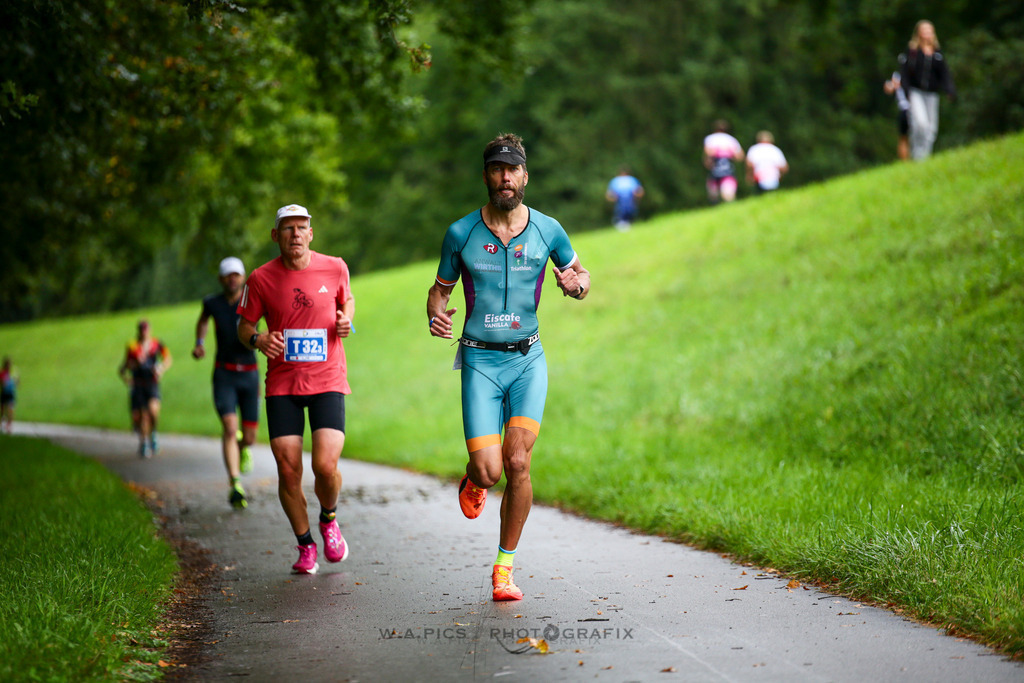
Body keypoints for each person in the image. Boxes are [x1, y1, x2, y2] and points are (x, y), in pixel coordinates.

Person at [426, 133, 590, 602]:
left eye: (512, 169)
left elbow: (583, 275)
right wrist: (435, 311)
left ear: (524, 176)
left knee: (519, 461)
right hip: (479, 361)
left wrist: (575, 285)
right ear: (485, 176)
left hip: (526, 360)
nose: (505, 177)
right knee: (490, 471)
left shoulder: (548, 230)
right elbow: (439, 289)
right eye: (497, 169)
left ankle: (503, 568)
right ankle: (474, 478)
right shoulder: (460, 234)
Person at [237, 203, 355, 575]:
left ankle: (329, 519)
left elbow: (346, 299)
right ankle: (305, 545)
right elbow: (243, 326)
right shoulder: (259, 278)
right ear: (276, 236)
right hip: (284, 383)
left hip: (327, 379)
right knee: (288, 470)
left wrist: (346, 318)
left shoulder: (334, 266)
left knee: (325, 465)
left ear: (311, 233)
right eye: (287, 229)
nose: (295, 234)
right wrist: (258, 339)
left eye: (301, 227)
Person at [193, 256, 260, 510]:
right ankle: (235, 484)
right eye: (228, 275)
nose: (233, 279)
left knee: (250, 436)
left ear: (242, 278)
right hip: (224, 374)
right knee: (230, 428)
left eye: (237, 274)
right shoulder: (212, 303)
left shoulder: (253, 299)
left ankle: (243, 447)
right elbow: (202, 321)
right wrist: (200, 344)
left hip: (250, 374)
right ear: (221, 279)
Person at [899, 20, 956, 160]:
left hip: (932, 94)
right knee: (920, 123)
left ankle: (925, 156)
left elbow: (945, 74)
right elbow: (904, 73)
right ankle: (917, 155)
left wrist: (950, 90)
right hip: (915, 92)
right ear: (919, 33)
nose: (927, 33)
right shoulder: (912, 52)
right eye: (924, 30)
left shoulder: (937, 54)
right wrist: (905, 91)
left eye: (929, 30)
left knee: (931, 128)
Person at [118, 319, 172, 458]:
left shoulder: (157, 344)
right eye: (142, 329)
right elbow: (125, 366)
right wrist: (131, 370)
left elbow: (167, 359)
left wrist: (160, 369)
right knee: (142, 416)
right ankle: (144, 443)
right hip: (138, 384)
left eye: (146, 329)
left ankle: (153, 433)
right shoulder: (132, 346)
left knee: (153, 411)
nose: (144, 332)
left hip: (152, 383)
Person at [703, 119, 745, 204]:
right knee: (728, 196)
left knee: (713, 196)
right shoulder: (731, 140)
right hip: (728, 170)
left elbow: (707, 154)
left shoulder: (710, 138)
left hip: (714, 170)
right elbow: (740, 156)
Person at [605, 166, 645, 231]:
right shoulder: (617, 180)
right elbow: (610, 193)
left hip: (629, 198)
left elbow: (639, 190)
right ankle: (622, 224)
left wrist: (637, 196)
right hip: (621, 199)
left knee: (630, 211)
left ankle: (627, 224)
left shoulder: (630, 179)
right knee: (621, 211)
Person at [883, 71, 911, 161]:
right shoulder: (898, 75)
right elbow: (889, 88)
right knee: (903, 137)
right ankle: (905, 160)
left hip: (912, 109)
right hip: (904, 109)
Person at [1, 356, 17, 434]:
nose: (9, 366)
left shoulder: (12, 373)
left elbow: (16, 384)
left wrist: (16, 381)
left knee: (10, 409)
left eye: (10, 365)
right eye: (8, 364)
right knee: (3, 410)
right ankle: (3, 421)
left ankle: (9, 424)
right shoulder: (2, 373)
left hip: (11, 393)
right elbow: (3, 383)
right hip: (4, 393)